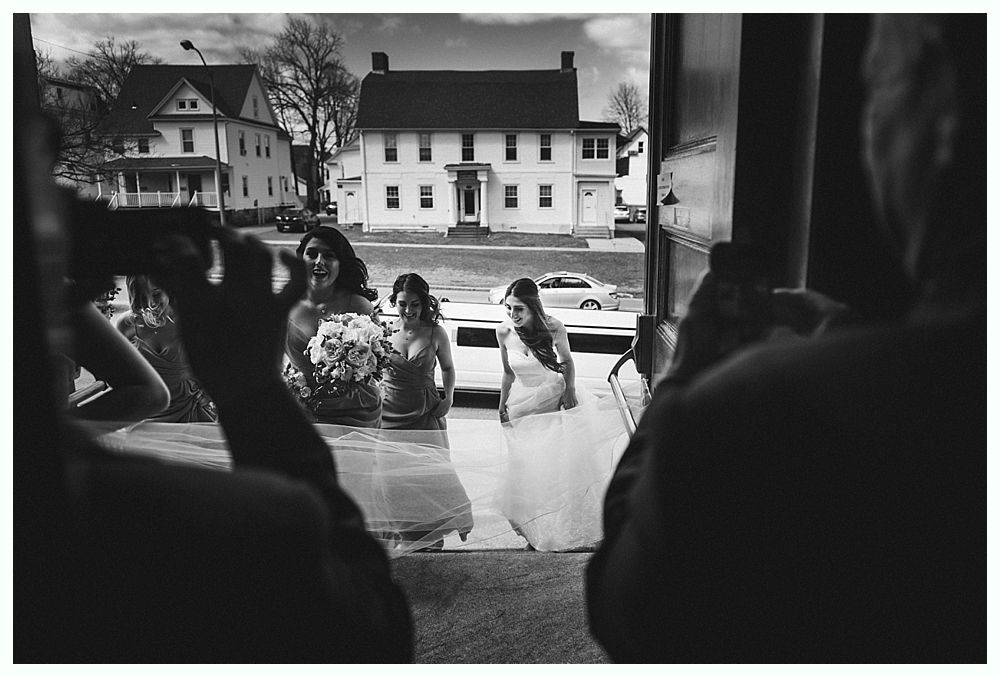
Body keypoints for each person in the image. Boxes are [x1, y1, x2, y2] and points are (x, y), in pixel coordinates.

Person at [586, 14, 985, 662]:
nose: (867, 135)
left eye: (877, 89)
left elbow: (623, 606)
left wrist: (681, 380)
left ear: (946, 108)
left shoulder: (744, 415)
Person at [495, 278, 627, 551]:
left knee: (556, 469)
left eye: (519, 308)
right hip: (522, 406)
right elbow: (508, 372)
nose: (513, 315)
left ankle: (560, 529)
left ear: (532, 306)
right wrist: (502, 404)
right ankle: (535, 531)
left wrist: (569, 392)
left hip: (553, 402)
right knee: (528, 470)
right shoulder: (503, 332)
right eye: (509, 308)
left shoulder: (554, 327)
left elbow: (566, 361)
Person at [379, 273, 473, 549]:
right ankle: (402, 535)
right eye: (403, 304)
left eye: (415, 305)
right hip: (388, 413)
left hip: (424, 412)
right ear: (394, 301)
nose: (408, 311)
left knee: (429, 476)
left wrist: (450, 397)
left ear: (424, 304)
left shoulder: (435, 332)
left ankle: (433, 536)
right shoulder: (383, 331)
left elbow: (447, 368)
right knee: (393, 479)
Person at [285, 226, 382, 427]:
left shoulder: (358, 306)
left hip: (357, 411)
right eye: (311, 254)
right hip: (304, 412)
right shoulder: (285, 306)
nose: (319, 261)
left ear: (341, 264)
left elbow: (377, 361)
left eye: (329, 255)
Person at [116, 274, 217, 423]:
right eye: (143, 296)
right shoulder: (126, 325)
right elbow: (120, 374)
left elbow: (211, 367)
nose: (151, 303)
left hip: (190, 411)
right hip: (144, 415)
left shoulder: (189, 321)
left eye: (156, 294)